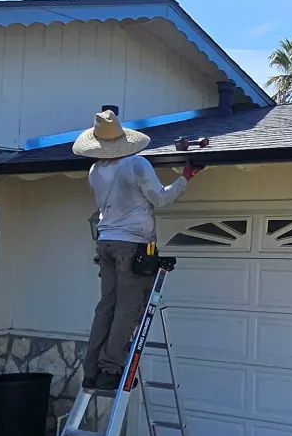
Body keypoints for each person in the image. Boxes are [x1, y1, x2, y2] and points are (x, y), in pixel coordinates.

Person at [74, 106, 200, 391]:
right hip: (131, 245)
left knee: (106, 306)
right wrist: (186, 177)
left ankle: (92, 370)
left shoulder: (95, 170)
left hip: (105, 241)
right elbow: (160, 199)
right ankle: (110, 369)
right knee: (128, 308)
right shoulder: (136, 164)